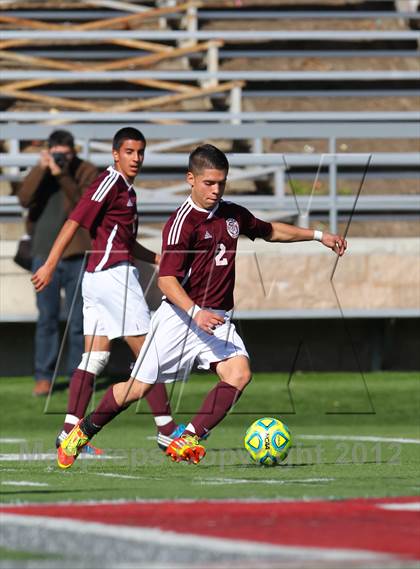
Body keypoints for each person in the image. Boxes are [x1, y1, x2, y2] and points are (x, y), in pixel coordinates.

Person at [54, 143, 347, 469]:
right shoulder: (181, 224)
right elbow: (166, 281)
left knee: (239, 374)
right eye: (209, 183)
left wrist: (319, 235)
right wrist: (196, 311)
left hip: (215, 319)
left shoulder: (232, 214)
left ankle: (188, 437)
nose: (216, 190)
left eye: (221, 183)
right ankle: (82, 432)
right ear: (191, 179)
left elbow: (270, 230)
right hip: (180, 318)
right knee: (135, 390)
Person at [32, 127, 182, 455]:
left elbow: (124, 243)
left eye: (140, 152)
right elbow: (75, 220)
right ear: (116, 154)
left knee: (95, 357)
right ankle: (168, 431)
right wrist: (50, 264)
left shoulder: (126, 190)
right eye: (129, 152)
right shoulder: (110, 181)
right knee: (149, 354)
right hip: (113, 278)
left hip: (98, 278)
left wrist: (156, 258)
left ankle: (70, 433)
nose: (136, 158)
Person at [18, 130, 98, 396]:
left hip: (78, 255)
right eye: (57, 154)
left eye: (66, 155)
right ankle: (43, 376)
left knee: (78, 322)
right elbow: (24, 198)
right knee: (47, 319)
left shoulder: (86, 171)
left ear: (73, 152)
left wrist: (61, 174)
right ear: (50, 151)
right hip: (43, 254)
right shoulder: (41, 169)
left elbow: (84, 205)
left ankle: (78, 377)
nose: (61, 159)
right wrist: (42, 169)